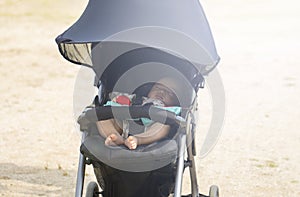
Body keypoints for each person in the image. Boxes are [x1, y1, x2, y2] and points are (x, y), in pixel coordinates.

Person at [96, 78, 181, 150]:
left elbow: (175, 119)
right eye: (157, 87)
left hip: (151, 127)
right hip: (124, 122)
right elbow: (117, 99)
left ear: (176, 101)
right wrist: (118, 100)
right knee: (102, 117)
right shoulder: (137, 99)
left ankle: (138, 139)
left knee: (164, 125)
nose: (161, 92)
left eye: (170, 92)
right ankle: (114, 136)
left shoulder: (171, 109)